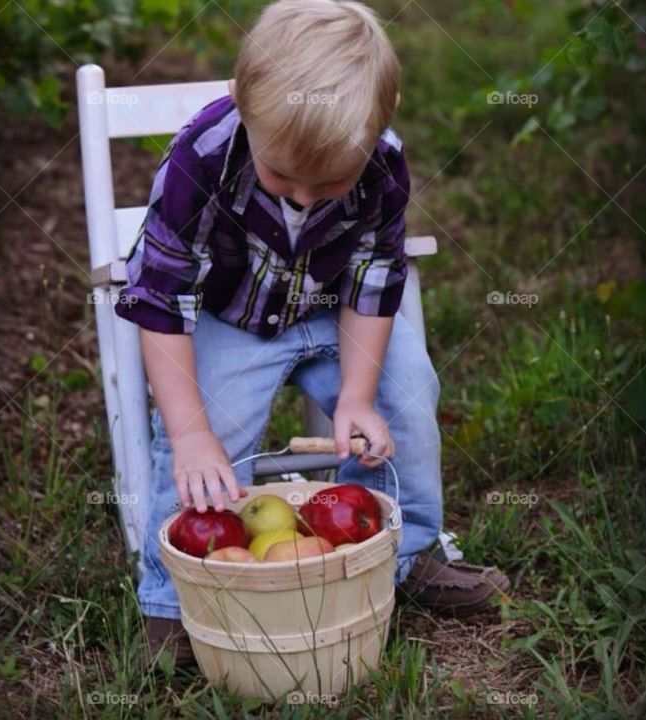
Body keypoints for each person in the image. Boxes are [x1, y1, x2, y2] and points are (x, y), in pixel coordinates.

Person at [115, 0, 509, 665]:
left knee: (405, 395)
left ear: (385, 117)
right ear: (240, 102)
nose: (302, 198)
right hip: (226, 319)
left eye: (327, 184)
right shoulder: (200, 159)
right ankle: (172, 601)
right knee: (208, 429)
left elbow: (375, 282)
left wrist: (356, 397)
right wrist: (191, 435)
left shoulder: (383, 163)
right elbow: (161, 300)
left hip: (333, 312)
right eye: (282, 179)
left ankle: (406, 554)